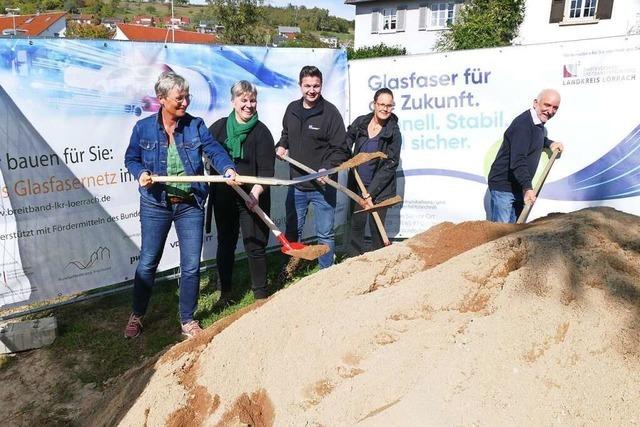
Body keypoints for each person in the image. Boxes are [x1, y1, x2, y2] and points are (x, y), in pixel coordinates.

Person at [123, 71, 237, 339]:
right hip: (156, 204)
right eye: (179, 98)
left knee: (191, 265)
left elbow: (214, 151)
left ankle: (187, 319)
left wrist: (227, 168)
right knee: (148, 261)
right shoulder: (143, 128)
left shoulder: (195, 125)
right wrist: (140, 173)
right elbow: (131, 158)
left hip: (190, 204)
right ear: (162, 99)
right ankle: (137, 314)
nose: (185, 102)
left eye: (187, 96)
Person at [206, 80, 275, 306]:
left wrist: (255, 193)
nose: (248, 105)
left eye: (252, 100)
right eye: (243, 100)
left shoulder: (262, 133)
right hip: (225, 198)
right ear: (233, 101)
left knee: (254, 244)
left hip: (252, 198)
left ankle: (260, 296)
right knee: (225, 243)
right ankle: (225, 293)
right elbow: (206, 152)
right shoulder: (218, 128)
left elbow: (266, 171)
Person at [275, 65, 350, 269]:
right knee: (293, 231)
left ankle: (326, 273)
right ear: (300, 85)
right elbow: (286, 135)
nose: (311, 90)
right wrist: (282, 146)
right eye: (307, 85)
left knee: (325, 233)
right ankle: (291, 268)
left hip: (323, 187)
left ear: (321, 85)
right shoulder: (292, 109)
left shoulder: (330, 113)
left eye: (316, 86)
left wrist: (325, 168)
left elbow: (341, 149)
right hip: (297, 184)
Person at [487, 89, 564, 223]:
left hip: (518, 186)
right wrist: (528, 188)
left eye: (555, 108)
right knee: (501, 235)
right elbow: (518, 160)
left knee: (513, 233)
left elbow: (533, 139)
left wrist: (549, 143)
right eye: (547, 105)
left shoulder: (537, 123)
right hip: (504, 186)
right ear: (535, 103)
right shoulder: (523, 125)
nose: (550, 111)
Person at [346, 88, 402, 256]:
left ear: (392, 107)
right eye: (381, 104)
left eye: (389, 105)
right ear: (374, 104)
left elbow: (390, 165)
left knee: (377, 228)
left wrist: (370, 193)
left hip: (380, 190)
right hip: (358, 185)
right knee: (356, 225)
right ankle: (353, 261)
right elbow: (347, 139)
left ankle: (378, 264)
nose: (385, 109)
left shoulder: (393, 133)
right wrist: (344, 152)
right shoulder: (361, 122)